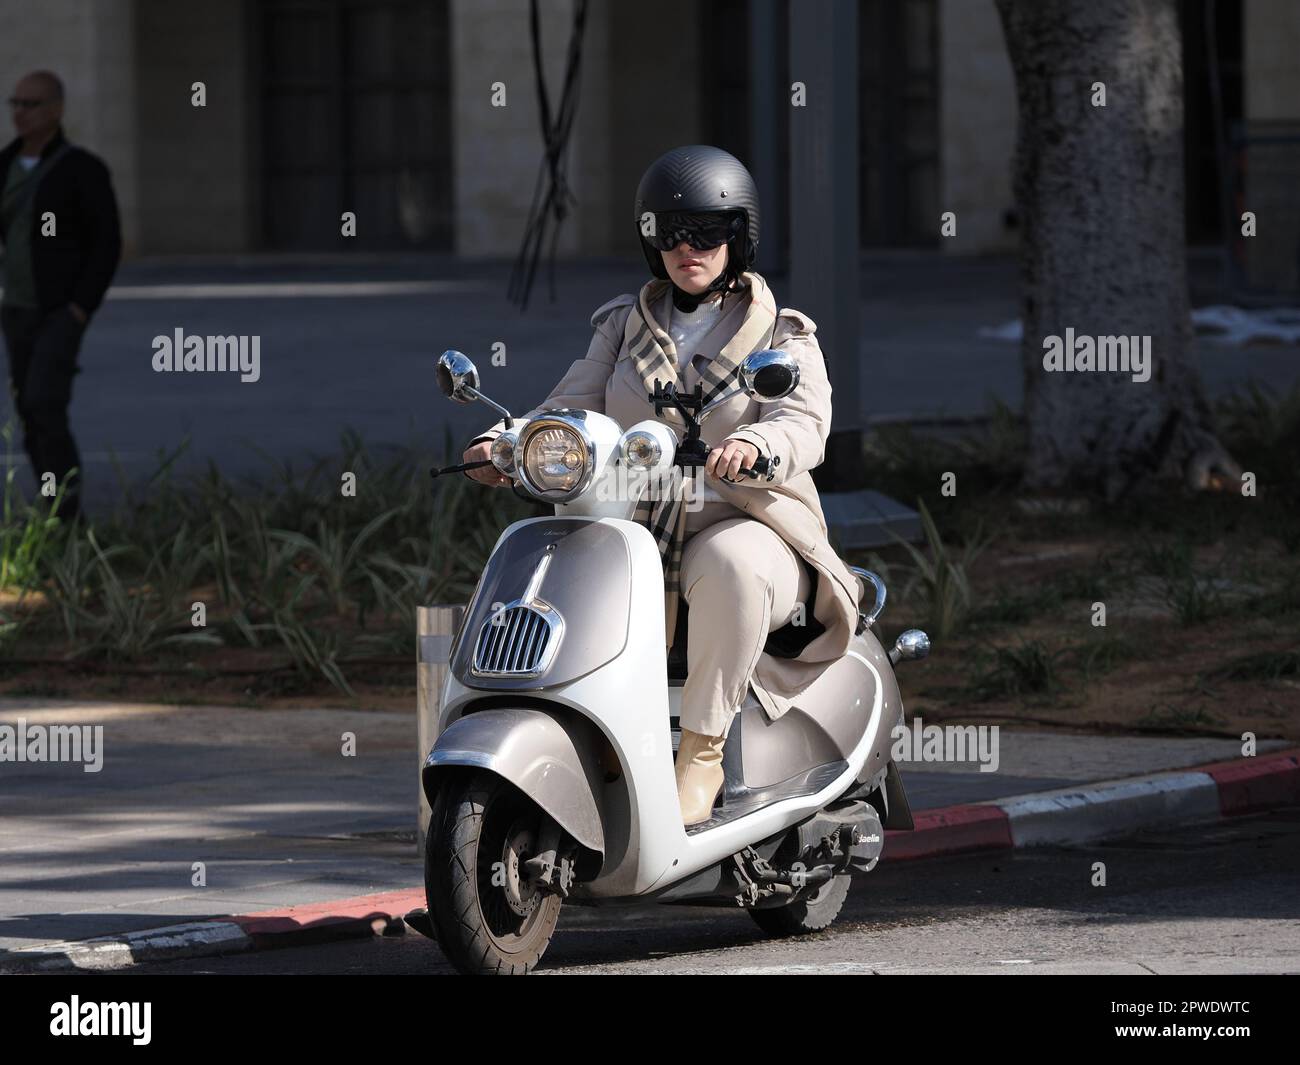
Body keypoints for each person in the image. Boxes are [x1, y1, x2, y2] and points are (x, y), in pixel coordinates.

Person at [461, 144, 864, 826]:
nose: (689, 249)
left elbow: (804, 420)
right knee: (558, 562)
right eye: (670, 234)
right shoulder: (622, 326)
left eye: (708, 233)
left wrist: (755, 443)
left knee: (731, 563)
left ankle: (702, 755)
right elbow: (574, 405)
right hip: (633, 524)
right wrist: (510, 443)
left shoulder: (781, 332)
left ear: (739, 237)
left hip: (746, 524)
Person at [0, 70, 122, 522]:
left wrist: (79, 308)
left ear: (56, 109)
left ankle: (68, 517)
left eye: (30, 104)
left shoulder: (81, 170)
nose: (19, 112)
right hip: (17, 310)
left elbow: (106, 243)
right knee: (29, 415)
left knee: (44, 404)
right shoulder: (5, 165)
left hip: (58, 311)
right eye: (15, 103)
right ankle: (52, 506)